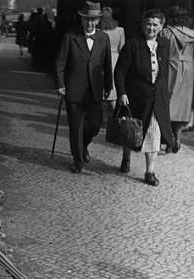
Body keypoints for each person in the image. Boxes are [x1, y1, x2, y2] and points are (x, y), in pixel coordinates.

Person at [115, 9, 174, 186]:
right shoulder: (133, 44)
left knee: (153, 133)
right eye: (148, 24)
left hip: (156, 99)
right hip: (136, 97)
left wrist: (165, 94)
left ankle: (150, 171)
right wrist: (122, 93)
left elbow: (164, 72)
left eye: (156, 24)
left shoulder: (164, 44)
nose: (151, 28)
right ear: (143, 25)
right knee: (132, 131)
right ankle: (126, 157)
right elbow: (120, 71)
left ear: (161, 26)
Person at [55, 1, 112, 173]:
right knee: (76, 125)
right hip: (74, 88)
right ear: (82, 20)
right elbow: (60, 62)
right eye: (87, 19)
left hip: (95, 89)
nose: (90, 23)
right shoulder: (70, 37)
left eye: (93, 20)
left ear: (98, 20)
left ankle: (83, 145)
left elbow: (107, 64)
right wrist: (60, 84)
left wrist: (109, 85)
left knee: (95, 124)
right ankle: (77, 159)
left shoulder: (103, 38)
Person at [161, 5, 194, 152]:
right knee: (182, 106)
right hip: (189, 70)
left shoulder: (166, 32)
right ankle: (177, 138)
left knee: (167, 103)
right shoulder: (192, 34)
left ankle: (169, 140)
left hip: (171, 68)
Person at [100, 6, 125, 109]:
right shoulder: (120, 30)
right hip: (115, 59)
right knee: (113, 91)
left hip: (102, 59)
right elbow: (122, 47)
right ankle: (116, 117)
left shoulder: (100, 31)